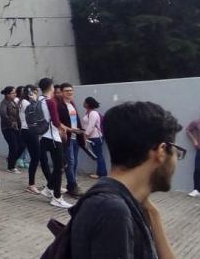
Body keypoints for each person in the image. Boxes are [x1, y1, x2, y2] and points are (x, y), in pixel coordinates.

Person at [64, 101, 180, 259]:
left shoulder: (124, 201)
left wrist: (154, 215)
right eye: (176, 152)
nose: (176, 160)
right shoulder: (112, 211)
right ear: (161, 151)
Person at [36, 77, 72, 208]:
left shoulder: (38, 100)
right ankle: (57, 197)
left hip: (42, 136)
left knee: (60, 165)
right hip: (53, 137)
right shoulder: (50, 102)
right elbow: (56, 122)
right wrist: (63, 131)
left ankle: (49, 188)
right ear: (51, 87)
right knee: (61, 166)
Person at [59, 83, 85, 197]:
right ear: (61, 92)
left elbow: (77, 120)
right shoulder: (60, 106)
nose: (69, 92)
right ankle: (73, 185)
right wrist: (69, 131)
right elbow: (58, 123)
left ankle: (71, 186)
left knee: (74, 163)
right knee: (70, 162)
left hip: (76, 137)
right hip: (67, 138)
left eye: (71, 90)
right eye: (66, 90)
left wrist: (81, 132)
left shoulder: (72, 104)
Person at [0, 86, 23, 174]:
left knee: (21, 145)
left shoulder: (13, 102)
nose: (15, 94)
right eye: (13, 93)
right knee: (14, 146)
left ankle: (10, 160)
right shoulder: (4, 103)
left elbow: (17, 115)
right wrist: (11, 123)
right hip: (7, 128)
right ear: (7, 94)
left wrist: (19, 125)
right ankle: (11, 167)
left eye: (15, 93)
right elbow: (3, 114)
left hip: (16, 127)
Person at [83, 97, 107, 178]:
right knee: (98, 155)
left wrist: (85, 135)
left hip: (95, 137)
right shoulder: (88, 113)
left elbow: (91, 126)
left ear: (88, 104)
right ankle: (101, 173)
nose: (83, 103)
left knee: (98, 155)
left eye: (85, 102)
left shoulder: (93, 113)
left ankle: (101, 173)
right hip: (93, 137)